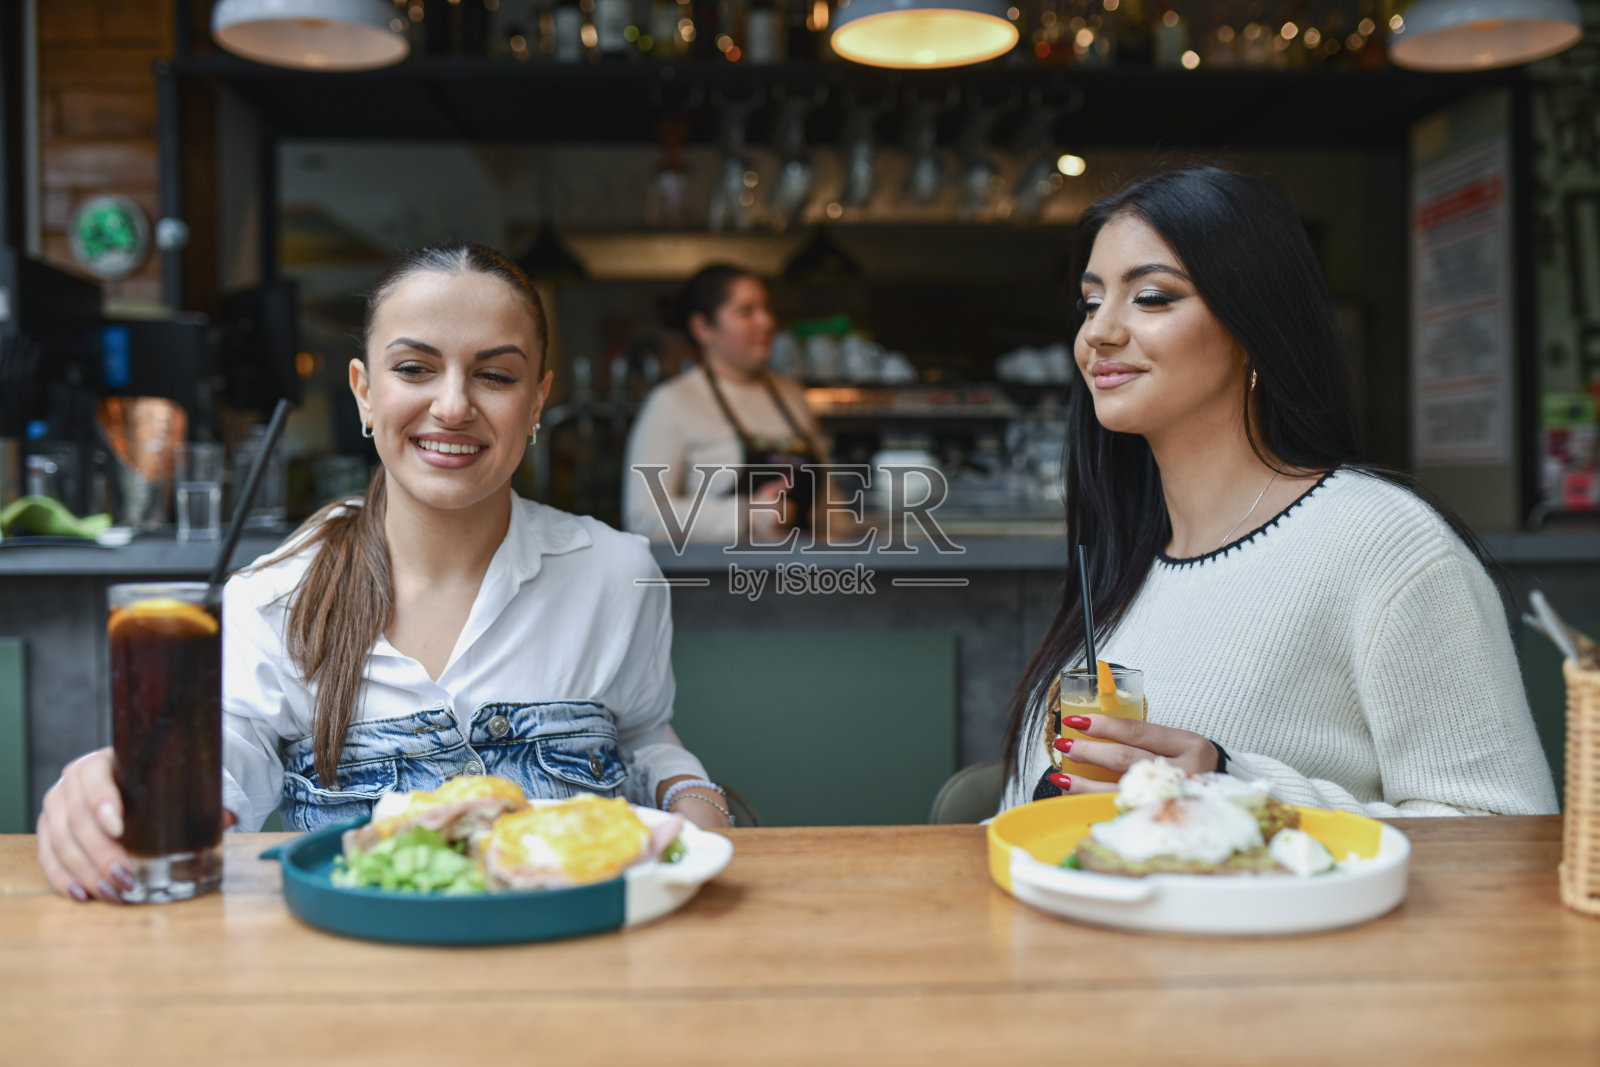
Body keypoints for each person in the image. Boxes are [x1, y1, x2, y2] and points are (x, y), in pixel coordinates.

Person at [38, 242, 731, 904]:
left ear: (538, 399)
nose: (454, 405)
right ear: (364, 392)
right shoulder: (274, 594)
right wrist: (114, 791)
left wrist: (694, 799)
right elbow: (218, 758)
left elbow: (643, 736)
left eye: (495, 374)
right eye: (414, 369)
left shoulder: (616, 572)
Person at [1001, 166, 1557, 817]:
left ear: (1254, 325)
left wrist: (1232, 789)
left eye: (1151, 297)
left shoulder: (1384, 544)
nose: (1098, 332)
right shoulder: (1124, 561)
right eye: (1090, 303)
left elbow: (1507, 833)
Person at [623, 265, 827, 544]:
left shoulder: (792, 396)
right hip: (721, 582)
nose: (766, 321)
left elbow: (829, 507)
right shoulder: (672, 402)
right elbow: (643, 517)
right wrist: (746, 515)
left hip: (806, 576)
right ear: (703, 328)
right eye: (746, 312)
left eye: (765, 308)